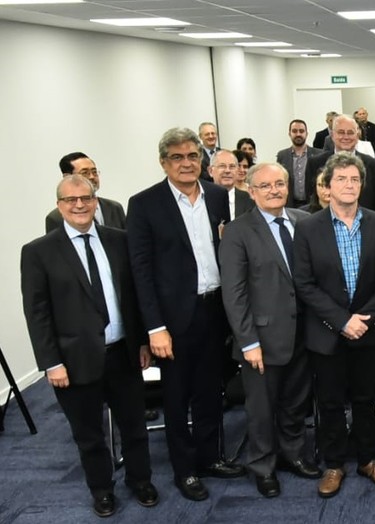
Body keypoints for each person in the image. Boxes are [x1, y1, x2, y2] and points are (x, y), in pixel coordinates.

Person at [22, 175, 158, 517]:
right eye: (71, 200)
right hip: (73, 361)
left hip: (123, 354)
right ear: (59, 205)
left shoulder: (119, 241)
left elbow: (133, 299)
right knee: (89, 435)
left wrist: (141, 341)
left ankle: (140, 480)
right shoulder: (39, 251)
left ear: (96, 201)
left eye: (85, 198)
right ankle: (102, 490)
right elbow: (37, 314)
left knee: (135, 428)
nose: (79, 205)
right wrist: (50, 363)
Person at [127, 127, 243, 502]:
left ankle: (210, 458)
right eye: (177, 157)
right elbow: (140, 272)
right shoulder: (144, 204)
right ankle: (185, 469)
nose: (186, 163)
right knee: (177, 397)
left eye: (193, 156)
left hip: (214, 310)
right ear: (164, 162)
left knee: (211, 391)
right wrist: (154, 328)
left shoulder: (215, 195)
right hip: (173, 319)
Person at [294, 152, 375, 498]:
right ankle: (334, 463)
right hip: (327, 332)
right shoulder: (308, 227)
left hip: (368, 330)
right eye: (341, 179)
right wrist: (342, 321)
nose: (349, 185)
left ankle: (369, 459)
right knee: (329, 402)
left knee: (365, 398)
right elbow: (304, 282)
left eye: (355, 179)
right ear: (327, 186)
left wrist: (363, 320)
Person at [218, 163, 319, 498]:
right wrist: (248, 342)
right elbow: (234, 293)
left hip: (303, 333)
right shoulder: (237, 231)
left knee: (296, 402)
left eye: (280, 183)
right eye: (265, 186)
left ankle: (293, 455)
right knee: (261, 409)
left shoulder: (303, 221)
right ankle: (262, 465)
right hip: (260, 339)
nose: (274, 190)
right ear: (250, 189)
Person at [307, 114, 375, 211]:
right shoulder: (315, 163)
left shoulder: (374, 166)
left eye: (350, 133)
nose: (346, 137)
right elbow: (311, 200)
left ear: (357, 136)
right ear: (332, 135)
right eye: (341, 132)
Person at [45, 152, 127, 232]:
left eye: (94, 172)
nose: (92, 177)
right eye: (85, 173)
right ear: (67, 177)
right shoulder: (56, 218)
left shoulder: (115, 207)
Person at [276, 119, 323, 207]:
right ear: (289, 134)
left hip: (313, 204)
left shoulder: (319, 154)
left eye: (301, 131)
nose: (298, 134)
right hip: (290, 204)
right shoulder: (282, 155)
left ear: (307, 134)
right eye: (294, 131)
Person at [210, 149, 254, 219]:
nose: (227, 171)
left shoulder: (250, 200)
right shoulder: (202, 199)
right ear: (210, 171)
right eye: (222, 166)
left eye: (232, 166)